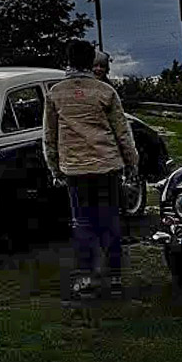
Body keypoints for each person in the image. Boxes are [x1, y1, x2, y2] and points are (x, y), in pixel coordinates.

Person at [43, 39, 139, 299]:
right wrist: (132, 163)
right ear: (91, 62)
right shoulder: (105, 91)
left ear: (68, 60)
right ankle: (115, 277)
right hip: (107, 165)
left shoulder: (55, 93)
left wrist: (54, 169)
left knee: (82, 223)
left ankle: (86, 278)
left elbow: (49, 136)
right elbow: (123, 133)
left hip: (75, 169)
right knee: (110, 219)